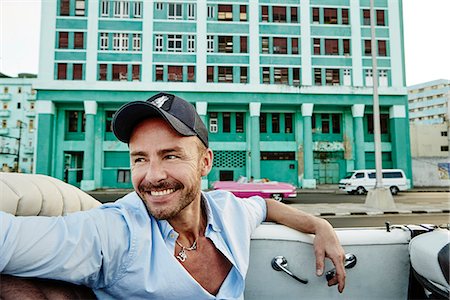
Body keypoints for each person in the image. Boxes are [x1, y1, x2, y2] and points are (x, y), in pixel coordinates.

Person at [0, 92, 346, 299]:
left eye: (171, 155)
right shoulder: (112, 232)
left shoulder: (229, 211)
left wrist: (320, 226)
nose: (153, 176)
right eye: (140, 159)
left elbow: (266, 206)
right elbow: (9, 240)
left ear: (205, 163)